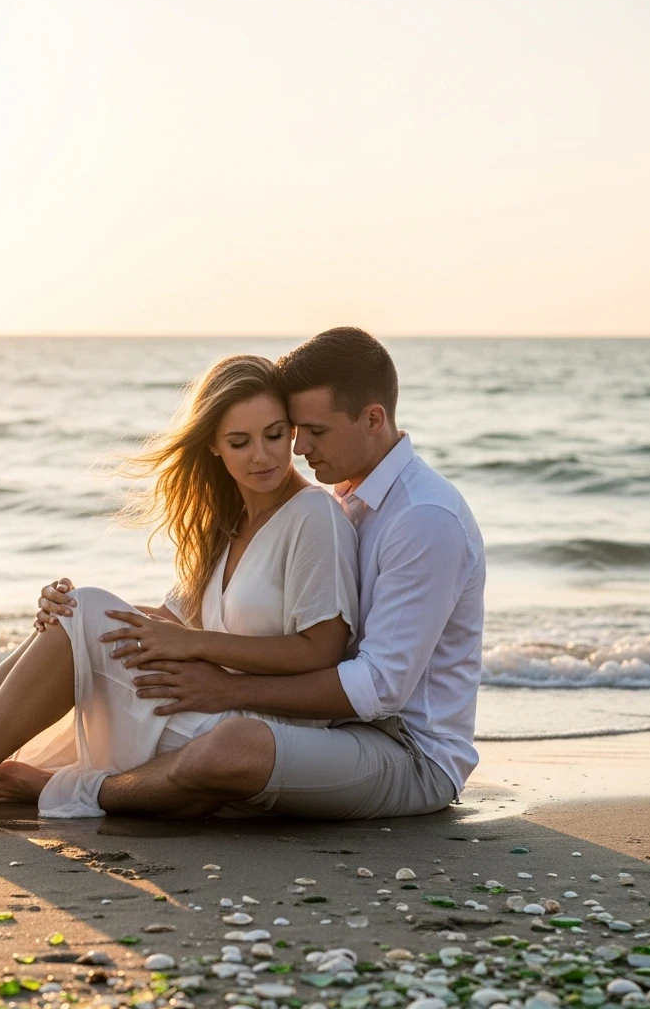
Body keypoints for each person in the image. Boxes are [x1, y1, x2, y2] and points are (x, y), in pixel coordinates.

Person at [0, 354, 359, 815]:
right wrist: (71, 615)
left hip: (256, 728)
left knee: (86, 611)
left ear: (291, 431)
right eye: (240, 441)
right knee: (77, 607)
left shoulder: (314, 515)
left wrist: (188, 644)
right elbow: (176, 624)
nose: (261, 455)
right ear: (212, 445)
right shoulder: (225, 522)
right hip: (199, 700)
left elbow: (324, 649)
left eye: (274, 435)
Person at [28, 326, 486, 821]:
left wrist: (229, 689)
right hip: (333, 729)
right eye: (294, 429)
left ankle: (74, 789)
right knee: (82, 624)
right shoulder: (349, 499)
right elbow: (193, 618)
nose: (298, 446)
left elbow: (379, 687)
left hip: (410, 753)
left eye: (315, 430)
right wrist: (83, 618)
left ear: (373, 418)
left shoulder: (422, 518)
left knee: (233, 749)